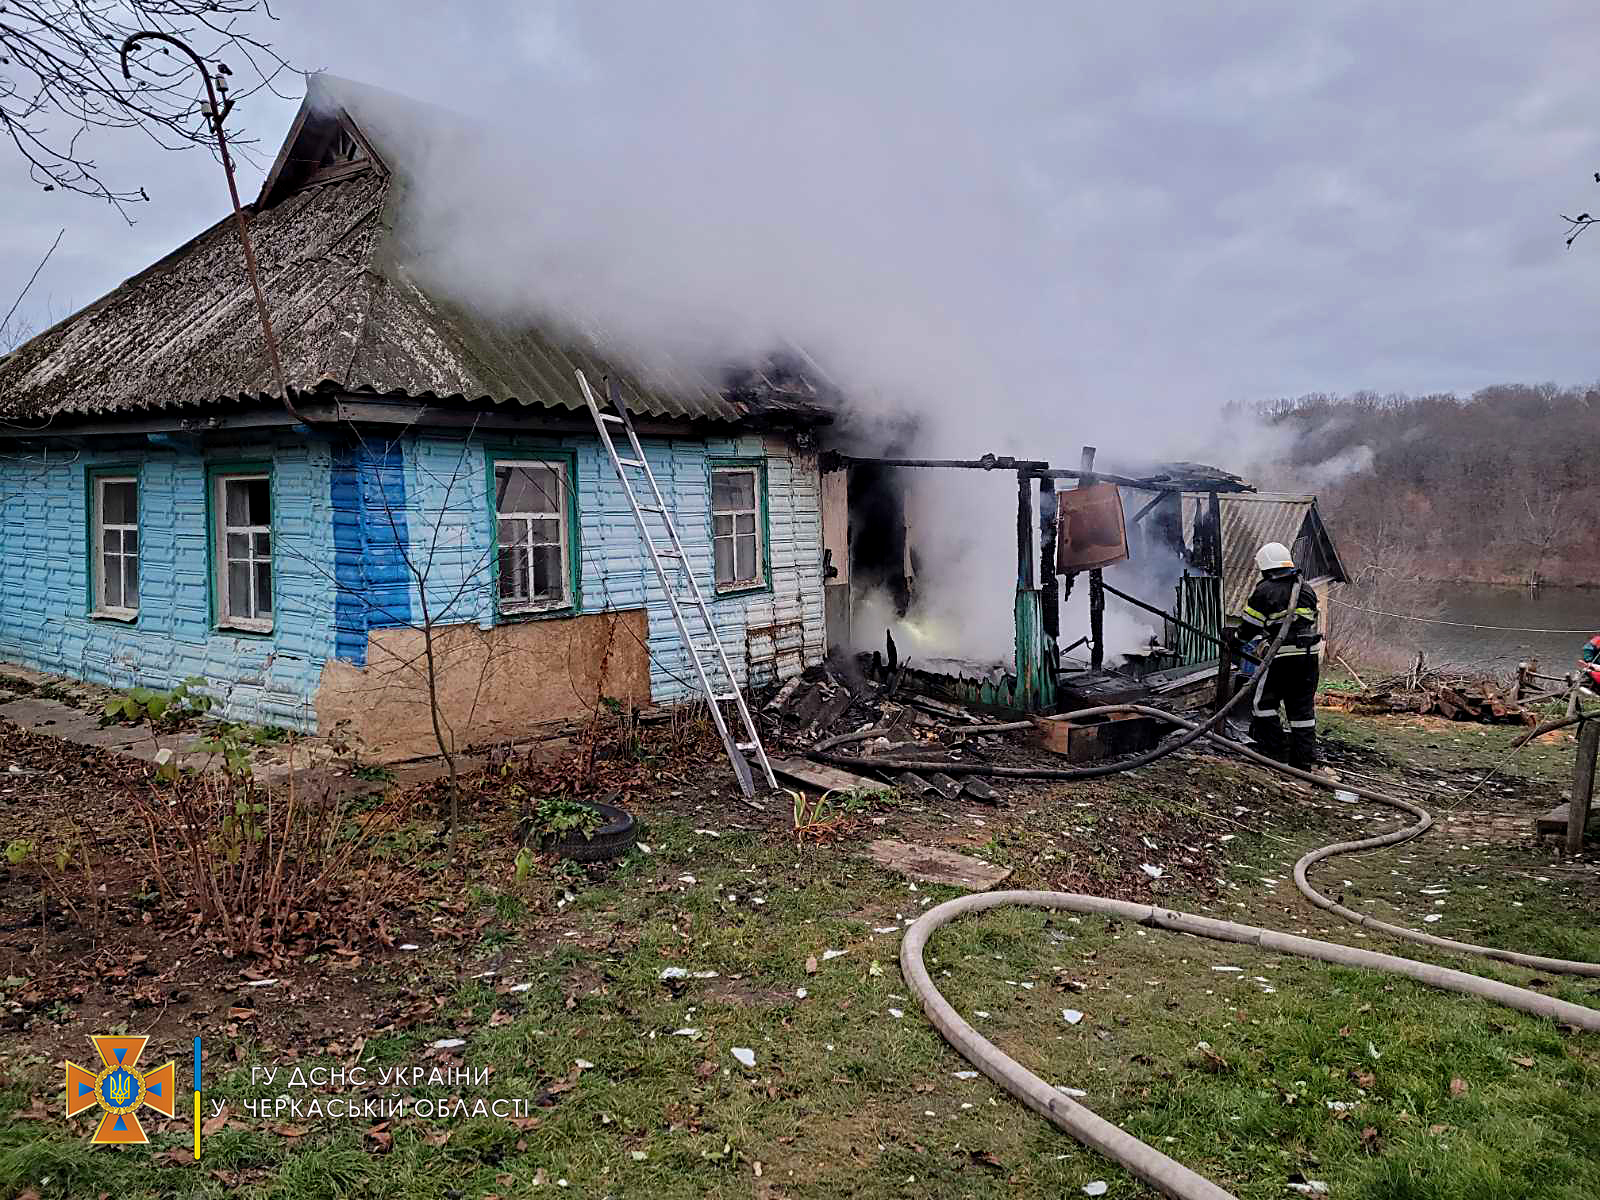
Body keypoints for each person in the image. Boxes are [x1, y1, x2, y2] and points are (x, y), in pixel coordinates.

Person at [1228, 542, 1323, 770]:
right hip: (1309, 655)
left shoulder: (1266, 590)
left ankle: (1274, 752)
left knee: (1262, 704)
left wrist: (1235, 640)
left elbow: (1250, 626)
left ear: (1265, 566)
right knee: (1301, 710)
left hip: (1284, 655)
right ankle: (1302, 761)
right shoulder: (1306, 588)